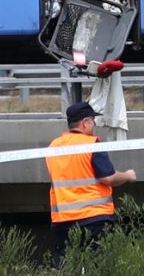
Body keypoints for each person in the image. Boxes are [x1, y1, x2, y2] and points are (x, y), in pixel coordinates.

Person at [46, 101, 136, 267]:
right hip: (94, 218)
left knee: (66, 269)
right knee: (98, 269)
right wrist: (127, 176)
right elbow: (108, 178)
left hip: (62, 220)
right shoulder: (91, 144)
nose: (95, 124)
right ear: (85, 122)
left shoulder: (53, 146)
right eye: (93, 120)